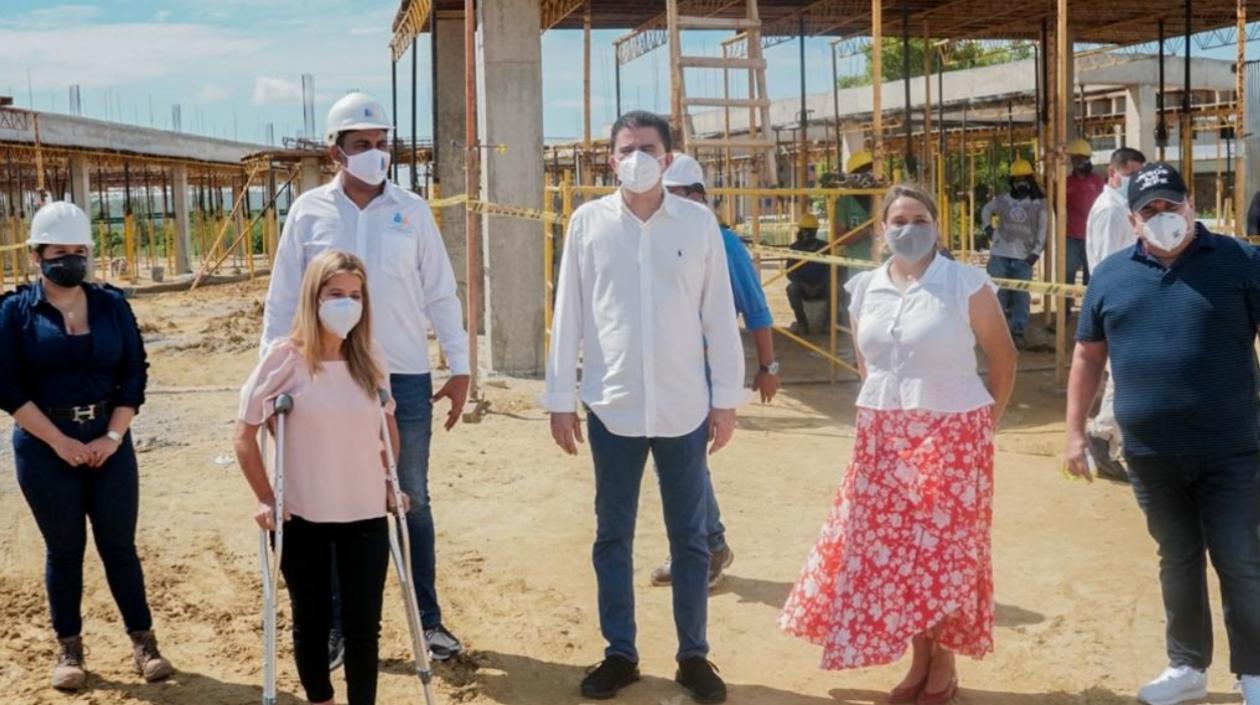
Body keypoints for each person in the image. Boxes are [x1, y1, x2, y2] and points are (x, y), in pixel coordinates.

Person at [780, 184, 1016, 705]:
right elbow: (870, 364)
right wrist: (885, 407)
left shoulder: (964, 283)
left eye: (919, 218)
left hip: (953, 434)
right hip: (883, 437)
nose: (909, 228)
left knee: (946, 553)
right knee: (895, 553)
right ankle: (918, 658)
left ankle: (943, 662)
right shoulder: (864, 289)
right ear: (882, 232)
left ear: (937, 224)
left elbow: (1003, 360)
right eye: (898, 220)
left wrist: (984, 427)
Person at [261, 91, 469, 665]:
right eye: (361, 145)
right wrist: (273, 376)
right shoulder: (308, 213)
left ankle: (426, 621)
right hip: (323, 377)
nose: (375, 154)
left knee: (410, 499)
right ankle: (332, 627)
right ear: (335, 152)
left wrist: (461, 365)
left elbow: (440, 291)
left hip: (400, 375)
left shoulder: (413, 211)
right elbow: (283, 302)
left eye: (381, 144)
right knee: (329, 503)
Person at [543, 110, 744, 704]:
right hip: (614, 406)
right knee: (613, 535)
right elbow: (569, 315)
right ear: (610, 158)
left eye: (647, 147)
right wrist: (560, 399)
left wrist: (726, 398)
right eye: (625, 148)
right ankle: (620, 653)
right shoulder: (587, 224)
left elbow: (718, 315)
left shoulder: (697, 223)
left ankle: (694, 656)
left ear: (668, 157)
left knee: (690, 539)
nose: (635, 156)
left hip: (684, 404)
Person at [1065, 163, 1260, 705]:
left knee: (1241, 559)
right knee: (1176, 558)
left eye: (1171, 206)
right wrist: (1074, 434)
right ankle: (1187, 667)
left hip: (1233, 450)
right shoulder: (1110, 276)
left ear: (1190, 206)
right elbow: (1087, 355)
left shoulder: (1240, 262)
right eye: (1150, 210)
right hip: (1150, 454)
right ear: (1132, 220)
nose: (1162, 217)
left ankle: (1255, 674)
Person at [0, 202, 174, 691]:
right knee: (65, 549)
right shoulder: (14, 312)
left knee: (119, 546)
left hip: (110, 441)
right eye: (60, 252)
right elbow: (8, 387)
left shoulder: (112, 304)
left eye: (79, 251)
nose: (71, 260)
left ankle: (144, 643)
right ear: (37, 255)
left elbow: (134, 372)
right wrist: (59, 442)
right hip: (43, 445)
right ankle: (69, 648)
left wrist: (112, 436)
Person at [237, 250, 397, 705]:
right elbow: (244, 434)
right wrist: (267, 498)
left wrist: (390, 481)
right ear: (313, 297)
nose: (346, 304)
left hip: (365, 511)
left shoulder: (370, 357)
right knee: (312, 620)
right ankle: (321, 700)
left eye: (355, 295)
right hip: (302, 512)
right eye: (335, 294)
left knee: (365, 625)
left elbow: (389, 426)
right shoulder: (283, 359)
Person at [652, 153, 779, 590]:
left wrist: (768, 365)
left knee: (686, 463)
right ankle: (697, 546)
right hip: (671, 370)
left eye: (670, 195)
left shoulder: (723, 243)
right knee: (676, 464)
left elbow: (756, 309)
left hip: (704, 375)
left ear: (694, 196)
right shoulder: (660, 239)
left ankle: (708, 545)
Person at [1082, 147, 1146, 482]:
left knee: (1125, 373)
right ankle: (1103, 433)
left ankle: (1107, 434)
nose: (1134, 180)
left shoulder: (1124, 207)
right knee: (1126, 373)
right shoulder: (1109, 209)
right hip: (1119, 300)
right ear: (1114, 172)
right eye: (1131, 173)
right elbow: (1107, 260)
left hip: (1128, 298)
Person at [981, 158, 1047, 348]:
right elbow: (986, 210)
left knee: (1021, 297)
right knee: (998, 294)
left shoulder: (1038, 203)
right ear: (1012, 182)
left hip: (1023, 257)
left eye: (1024, 179)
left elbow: (1043, 228)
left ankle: (1018, 332)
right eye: (1017, 180)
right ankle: (998, 333)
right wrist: (988, 229)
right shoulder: (1002, 200)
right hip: (1000, 255)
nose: (1021, 183)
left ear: (1030, 180)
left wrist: (1036, 251)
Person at [1065, 138, 1104, 316]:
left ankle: (1091, 313)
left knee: (1093, 277)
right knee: (1068, 276)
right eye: (1076, 158)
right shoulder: (1066, 183)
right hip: (1072, 236)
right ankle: (1064, 311)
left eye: (1083, 158)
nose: (1079, 161)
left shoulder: (1097, 181)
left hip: (1093, 237)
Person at [786, 212, 830, 335]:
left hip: (822, 286)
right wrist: (803, 284)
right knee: (791, 288)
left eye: (810, 230)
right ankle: (802, 323)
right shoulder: (794, 248)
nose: (807, 233)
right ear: (800, 230)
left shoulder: (825, 247)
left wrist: (821, 284)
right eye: (805, 230)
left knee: (834, 288)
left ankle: (828, 324)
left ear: (815, 231)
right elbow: (790, 272)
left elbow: (830, 270)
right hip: (802, 287)